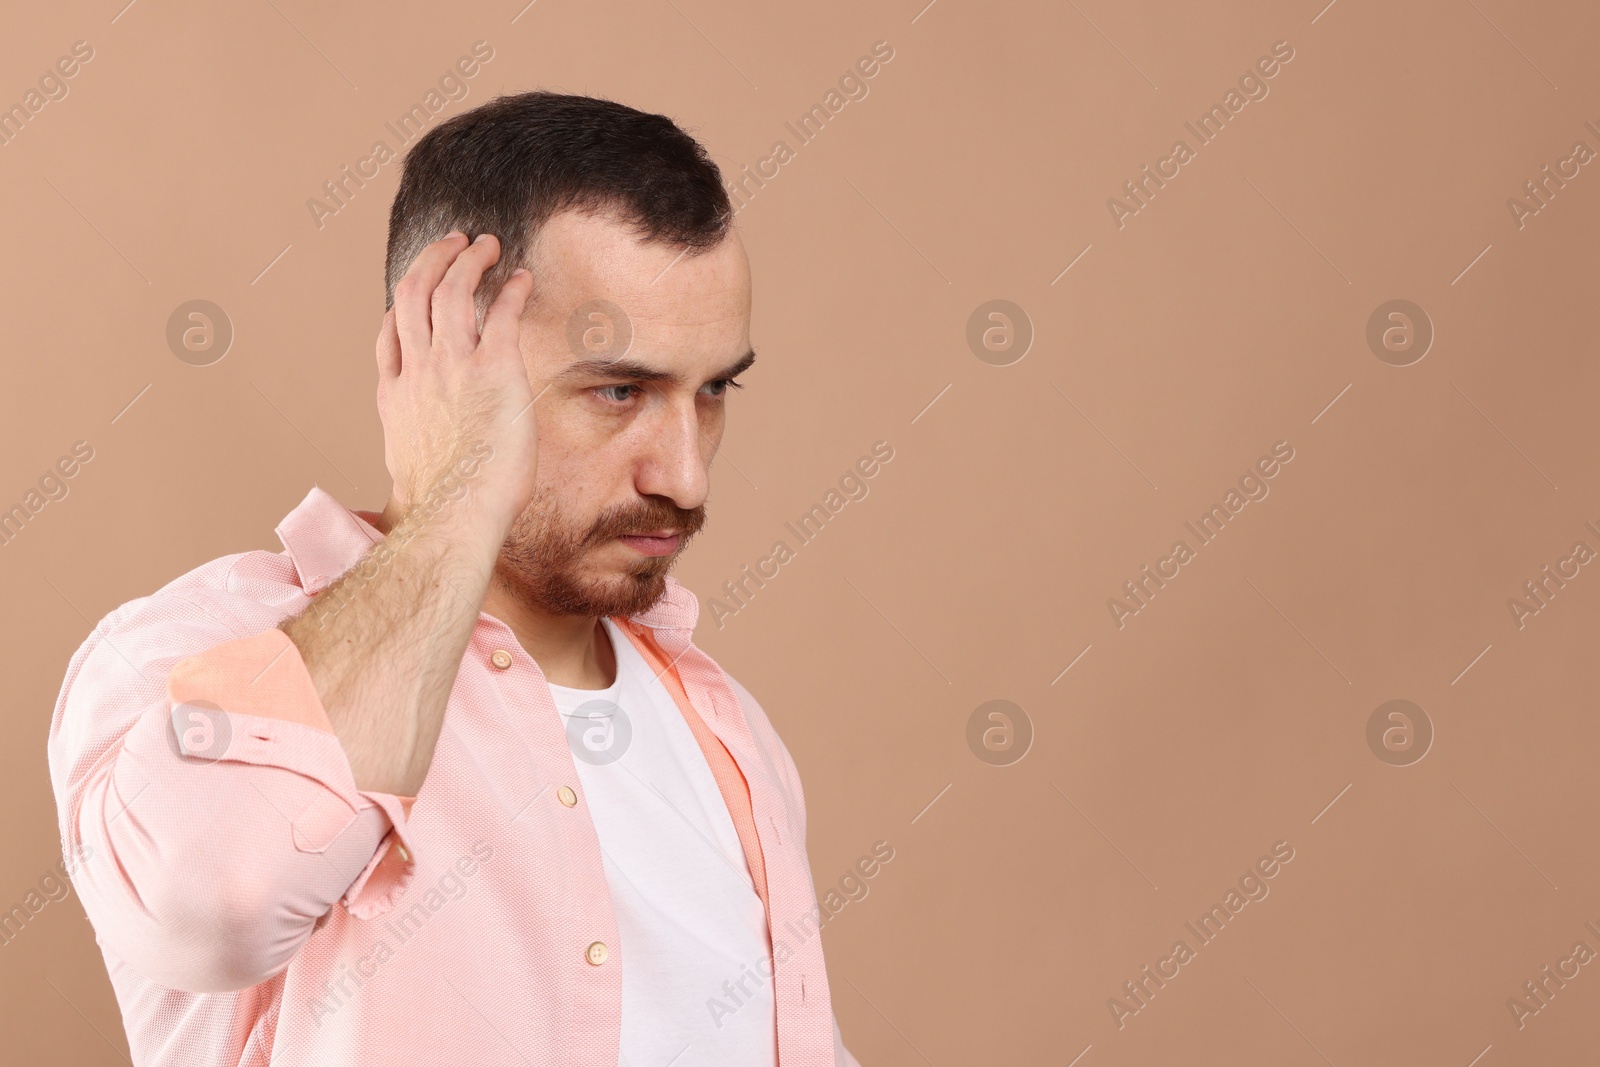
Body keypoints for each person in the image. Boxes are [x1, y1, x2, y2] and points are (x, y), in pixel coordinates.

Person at [47, 90, 863, 1066]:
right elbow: (209, 905)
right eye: (618, 389)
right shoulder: (189, 649)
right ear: (440, 349)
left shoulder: (729, 733)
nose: (683, 476)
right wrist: (454, 496)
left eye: (713, 390)